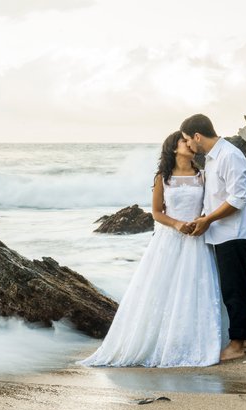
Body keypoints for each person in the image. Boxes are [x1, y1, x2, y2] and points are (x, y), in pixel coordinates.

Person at [78, 131, 223, 368]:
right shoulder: (162, 178)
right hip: (169, 240)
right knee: (162, 291)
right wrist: (177, 224)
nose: (189, 143)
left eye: (189, 140)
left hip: (196, 239)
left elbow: (211, 206)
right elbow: (157, 213)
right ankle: (161, 340)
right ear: (173, 148)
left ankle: (192, 340)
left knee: (194, 291)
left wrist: (201, 220)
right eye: (183, 141)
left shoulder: (202, 176)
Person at [180, 114, 246, 361]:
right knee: (229, 289)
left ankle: (237, 344)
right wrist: (203, 217)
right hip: (221, 234)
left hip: (234, 234)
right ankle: (239, 339)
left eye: (187, 140)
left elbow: (237, 199)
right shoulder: (213, 159)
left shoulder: (230, 155)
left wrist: (208, 220)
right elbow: (216, 197)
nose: (188, 146)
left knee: (235, 289)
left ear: (197, 136)